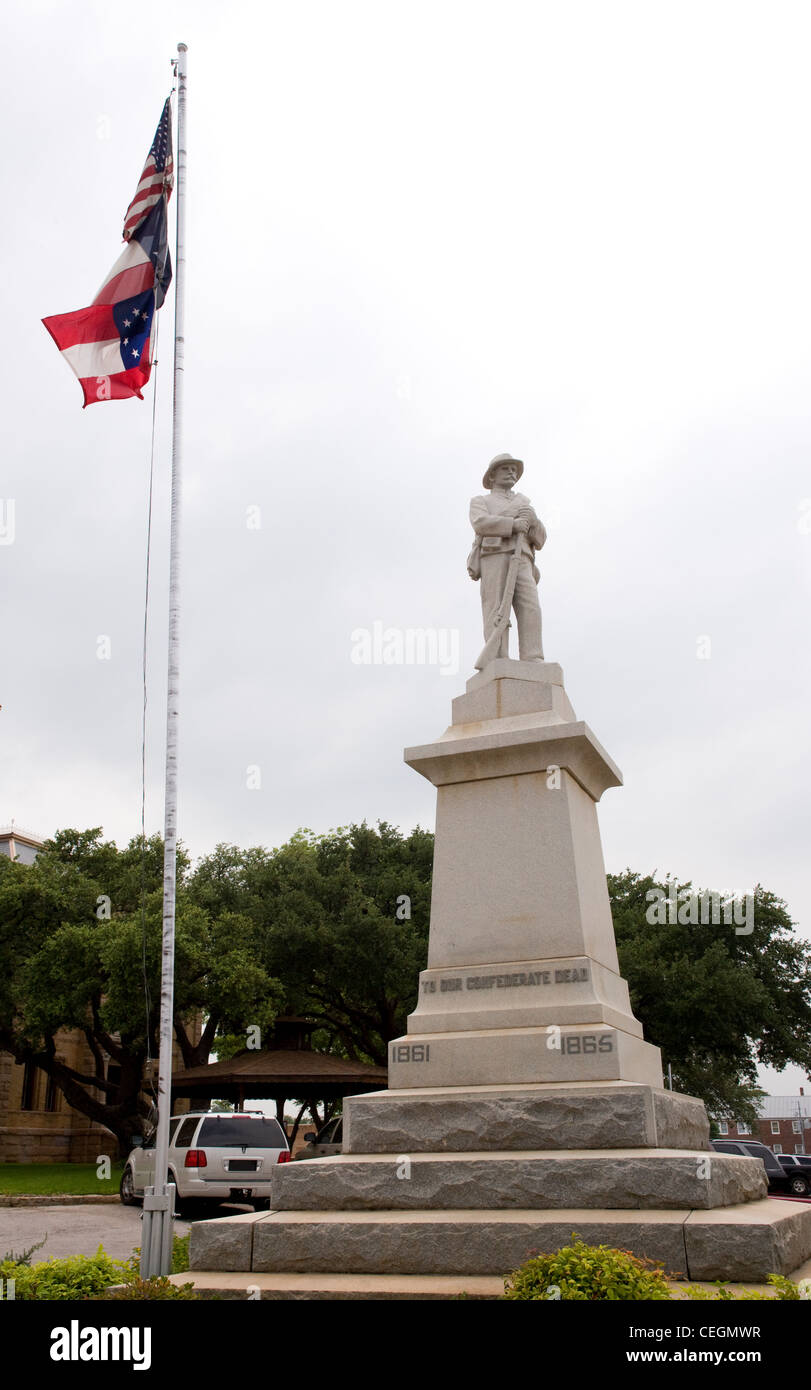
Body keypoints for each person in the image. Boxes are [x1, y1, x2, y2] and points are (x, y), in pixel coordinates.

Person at [468, 452, 546, 661]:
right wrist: (513, 524)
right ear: (492, 475)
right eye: (505, 468)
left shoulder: (525, 505)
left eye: (514, 469)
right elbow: (481, 523)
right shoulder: (481, 501)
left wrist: (534, 521)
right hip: (494, 555)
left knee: (530, 606)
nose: (511, 472)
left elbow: (540, 539)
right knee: (496, 608)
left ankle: (533, 656)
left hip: (523, 557)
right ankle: (498, 656)